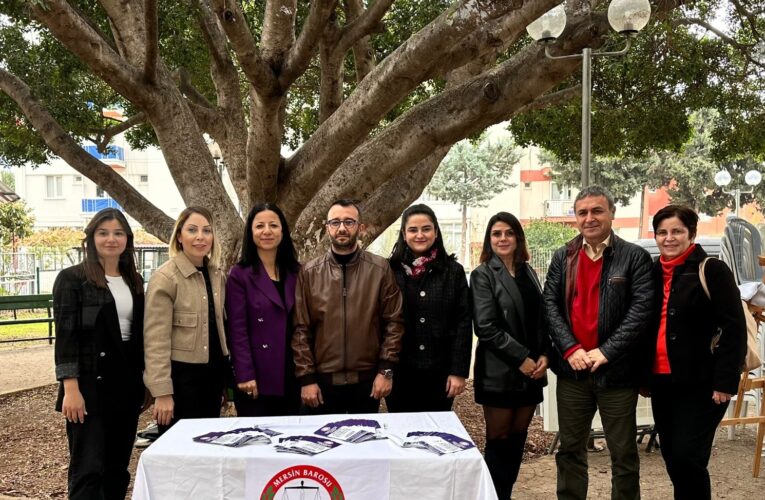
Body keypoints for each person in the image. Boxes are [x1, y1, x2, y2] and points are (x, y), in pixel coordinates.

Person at [543, 185, 653, 500]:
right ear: (576, 218)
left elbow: (640, 312)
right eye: (583, 212)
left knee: (624, 455)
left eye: (597, 211)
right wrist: (570, 349)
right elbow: (550, 305)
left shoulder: (634, 257)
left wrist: (606, 351)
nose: (590, 218)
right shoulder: (563, 256)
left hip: (617, 374)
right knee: (570, 451)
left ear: (611, 214)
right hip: (573, 373)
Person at [646, 204, 746, 499]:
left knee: (688, 455)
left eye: (677, 231)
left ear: (691, 233)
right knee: (673, 456)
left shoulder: (712, 270)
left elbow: (734, 328)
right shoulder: (652, 272)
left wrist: (725, 382)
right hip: (662, 382)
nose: (669, 238)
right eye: (662, 232)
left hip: (703, 384)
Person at [53, 208, 146, 500]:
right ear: (92, 238)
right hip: (88, 386)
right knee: (88, 467)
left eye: (118, 233)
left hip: (126, 384)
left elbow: (137, 336)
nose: (111, 239)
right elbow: (66, 336)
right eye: (103, 233)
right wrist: (71, 388)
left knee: (117, 466)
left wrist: (145, 381)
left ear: (127, 240)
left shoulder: (133, 279)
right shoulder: (72, 279)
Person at [292, 199, 405, 414]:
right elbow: (300, 329)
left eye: (349, 222)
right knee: (322, 445)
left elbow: (394, 323)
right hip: (323, 384)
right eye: (335, 222)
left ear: (360, 228)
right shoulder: (309, 272)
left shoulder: (380, 269)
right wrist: (307, 378)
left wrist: (386, 371)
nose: (342, 228)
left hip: (367, 383)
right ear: (327, 228)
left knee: (363, 445)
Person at [470, 212, 550, 499]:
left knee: (518, 440)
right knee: (499, 442)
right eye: (496, 233)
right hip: (499, 373)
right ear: (490, 240)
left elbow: (541, 319)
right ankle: (494, 496)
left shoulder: (528, 272)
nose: (503, 238)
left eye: (508, 233)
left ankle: (506, 493)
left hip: (531, 373)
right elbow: (486, 328)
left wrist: (544, 355)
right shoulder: (482, 275)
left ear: (518, 237)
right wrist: (522, 359)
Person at [144, 206, 229, 432]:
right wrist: (162, 393)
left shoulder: (217, 275)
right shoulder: (165, 278)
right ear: (180, 236)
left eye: (207, 231)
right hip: (181, 381)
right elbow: (156, 340)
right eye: (192, 230)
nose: (200, 237)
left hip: (212, 378)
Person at [386, 204, 472, 412]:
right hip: (400, 372)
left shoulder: (453, 272)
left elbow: (463, 322)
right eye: (413, 230)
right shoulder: (389, 270)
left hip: (440, 371)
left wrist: (458, 371)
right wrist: (384, 370)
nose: (420, 235)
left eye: (426, 229)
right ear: (404, 234)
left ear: (435, 232)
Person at [226, 203, 302, 416]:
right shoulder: (239, 275)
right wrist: (244, 374)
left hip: (293, 371)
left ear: (283, 231)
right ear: (250, 233)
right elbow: (237, 329)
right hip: (257, 375)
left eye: (273, 225)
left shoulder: (297, 272)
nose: (267, 231)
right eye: (260, 226)